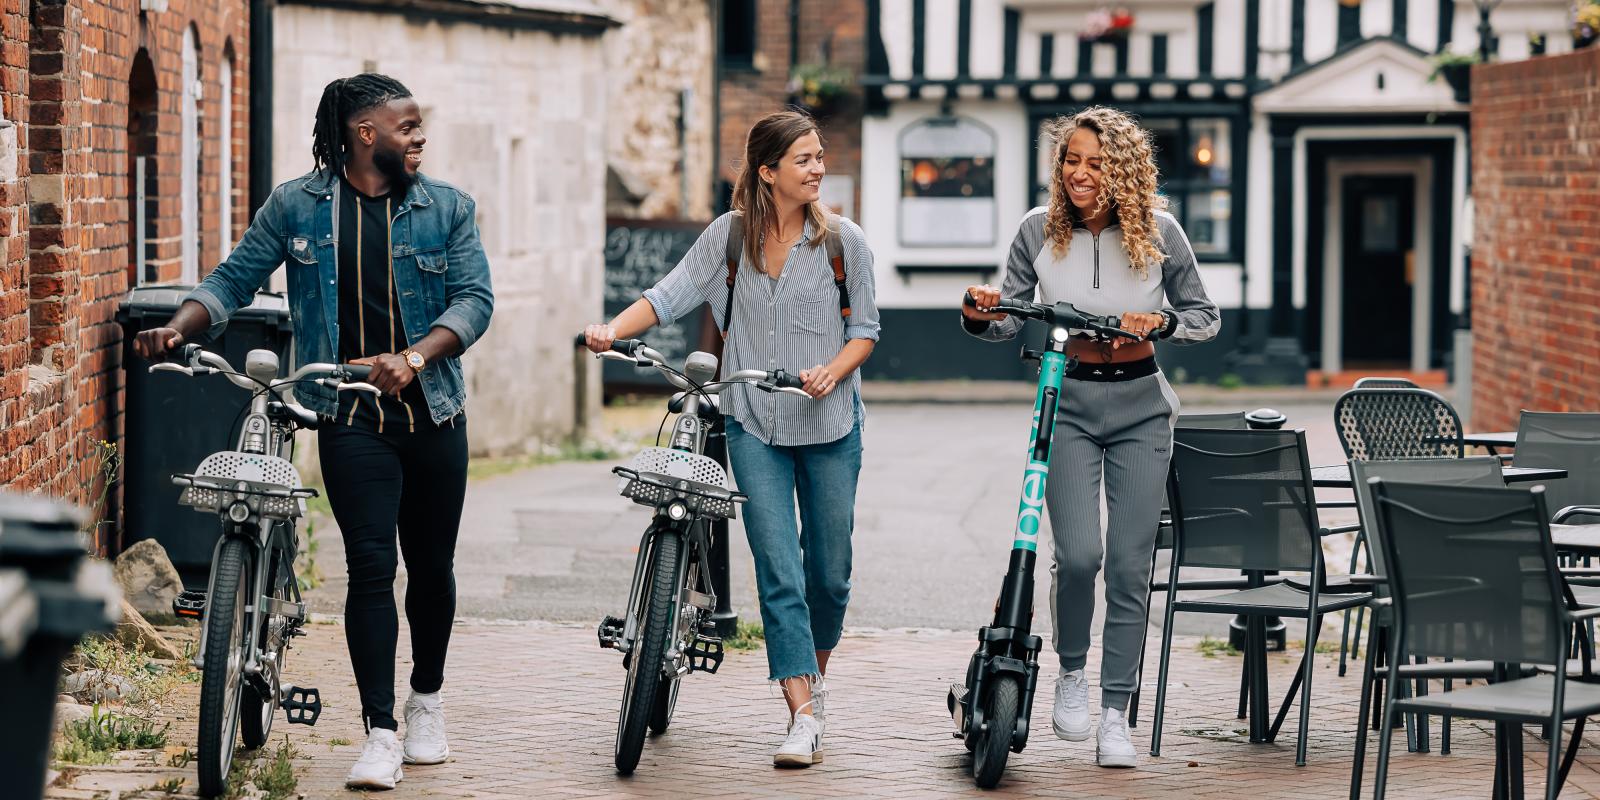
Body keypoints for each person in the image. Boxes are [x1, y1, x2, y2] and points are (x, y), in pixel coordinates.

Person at [132, 73, 494, 791]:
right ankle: (381, 731)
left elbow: (474, 300)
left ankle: (427, 699)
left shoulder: (446, 208)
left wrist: (415, 356)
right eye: (407, 125)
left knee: (431, 571)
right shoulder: (298, 206)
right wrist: (178, 325)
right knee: (369, 568)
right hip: (347, 415)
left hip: (432, 413)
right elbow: (233, 280)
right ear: (366, 135)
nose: (420, 136)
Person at [583, 110, 879, 768]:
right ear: (769, 172)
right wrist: (610, 328)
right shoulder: (727, 241)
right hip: (755, 427)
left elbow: (867, 330)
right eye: (804, 159)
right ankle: (801, 711)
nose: (818, 168)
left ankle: (814, 679)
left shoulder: (841, 244)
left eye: (820, 155)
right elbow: (666, 296)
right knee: (779, 572)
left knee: (828, 576)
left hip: (831, 426)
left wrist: (834, 370)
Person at [960, 105, 1218, 768]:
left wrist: (1159, 322)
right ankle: (1071, 673)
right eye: (1071, 160)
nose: (1079, 173)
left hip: (1141, 408)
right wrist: (978, 312)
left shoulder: (1161, 231)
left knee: (1131, 567)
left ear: (1124, 170)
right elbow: (1006, 319)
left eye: (1096, 163)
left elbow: (1203, 317)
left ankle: (1113, 712)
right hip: (1066, 404)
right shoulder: (1035, 231)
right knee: (1078, 557)